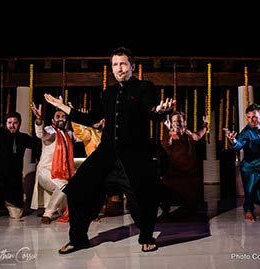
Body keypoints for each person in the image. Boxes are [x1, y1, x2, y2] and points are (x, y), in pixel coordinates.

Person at [44, 47, 175, 254]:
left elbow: (151, 111)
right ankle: (78, 239)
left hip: (134, 155)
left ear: (132, 66)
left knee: (143, 197)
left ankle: (146, 236)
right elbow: (93, 119)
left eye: (123, 64)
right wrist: (66, 109)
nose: (119, 68)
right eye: (115, 64)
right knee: (77, 190)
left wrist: (159, 110)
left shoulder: (144, 87)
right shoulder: (108, 93)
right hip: (106, 155)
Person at [30, 105, 75, 224]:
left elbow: (82, 137)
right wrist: (39, 120)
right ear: (53, 119)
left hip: (62, 174)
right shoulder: (50, 130)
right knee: (65, 186)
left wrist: (77, 116)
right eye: (58, 116)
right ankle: (48, 214)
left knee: (74, 186)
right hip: (46, 172)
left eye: (64, 116)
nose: (61, 119)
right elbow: (41, 134)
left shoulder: (68, 134)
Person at [160, 111, 209, 215]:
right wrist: (167, 129)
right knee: (165, 184)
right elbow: (166, 144)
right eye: (174, 121)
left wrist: (205, 125)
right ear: (171, 123)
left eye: (179, 121)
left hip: (190, 173)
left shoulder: (187, 133)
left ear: (184, 122)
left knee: (193, 206)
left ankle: (191, 204)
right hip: (175, 173)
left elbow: (197, 136)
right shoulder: (171, 135)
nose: (177, 123)